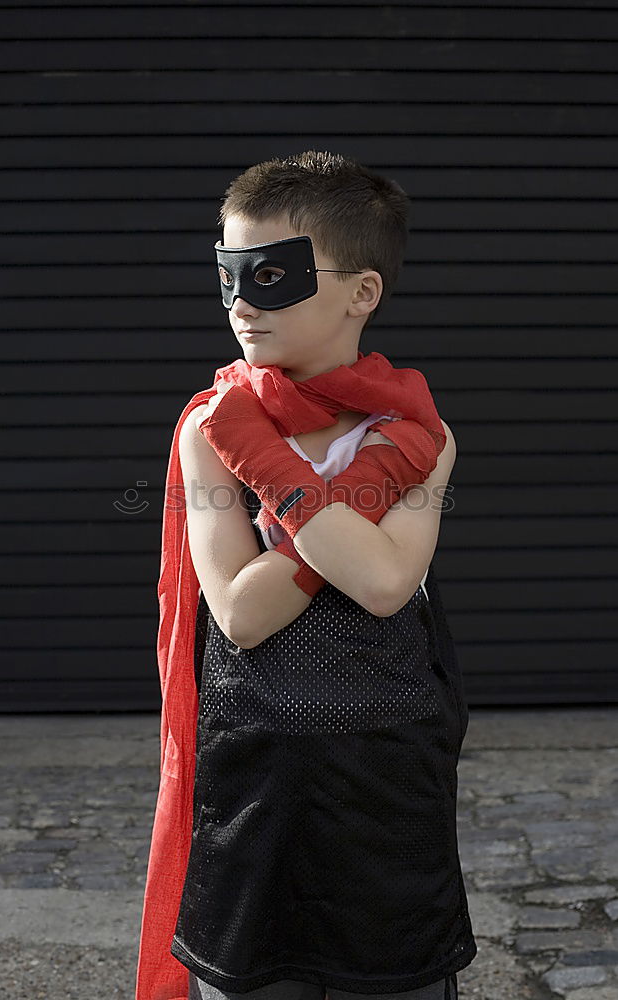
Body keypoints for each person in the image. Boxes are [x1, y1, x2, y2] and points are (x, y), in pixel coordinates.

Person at [135, 150, 477, 1000]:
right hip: (253, 776)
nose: (243, 300)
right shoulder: (212, 426)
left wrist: (267, 468)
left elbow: (386, 588)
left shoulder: (419, 432)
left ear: (362, 291)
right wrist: (348, 505)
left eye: (274, 274)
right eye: (228, 273)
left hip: (386, 776)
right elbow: (240, 617)